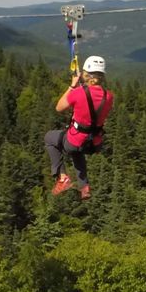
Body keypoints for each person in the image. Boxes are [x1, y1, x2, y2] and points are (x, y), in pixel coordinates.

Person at [46, 54, 112, 200]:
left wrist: (72, 86)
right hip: (94, 144)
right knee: (77, 150)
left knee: (50, 137)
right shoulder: (109, 96)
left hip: (75, 141)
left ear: (86, 74)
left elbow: (59, 107)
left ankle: (62, 178)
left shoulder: (78, 93)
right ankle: (84, 186)